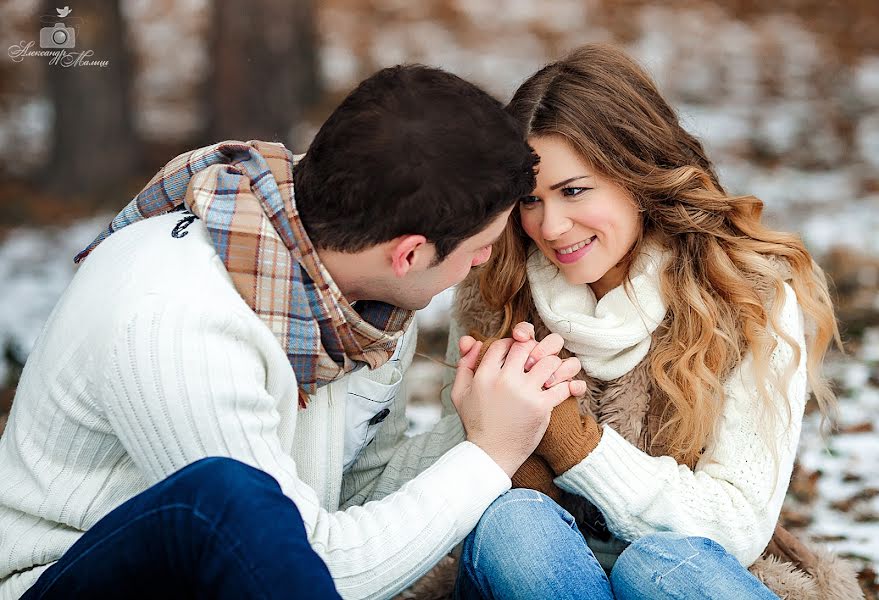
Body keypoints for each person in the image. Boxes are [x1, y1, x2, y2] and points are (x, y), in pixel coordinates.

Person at [0, 65, 585, 600]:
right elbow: (313, 568)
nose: (484, 263)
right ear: (409, 253)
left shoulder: (362, 300)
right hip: (63, 579)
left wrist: (486, 417)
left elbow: (353, 501)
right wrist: (487, 457)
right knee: (233, 498)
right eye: (481, 248)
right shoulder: (178, 324)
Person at [445, 44, 863, 599]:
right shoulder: (494, 290)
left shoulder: (745, 296)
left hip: (685, 578)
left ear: (636, 174)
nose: (550, 226)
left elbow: (735, 526)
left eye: (573, 191)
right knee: (514, 526)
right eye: (529, 200)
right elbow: (451, 498)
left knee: (660, 565)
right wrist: (508, 458)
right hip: (540, 578)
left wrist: (574, 442)